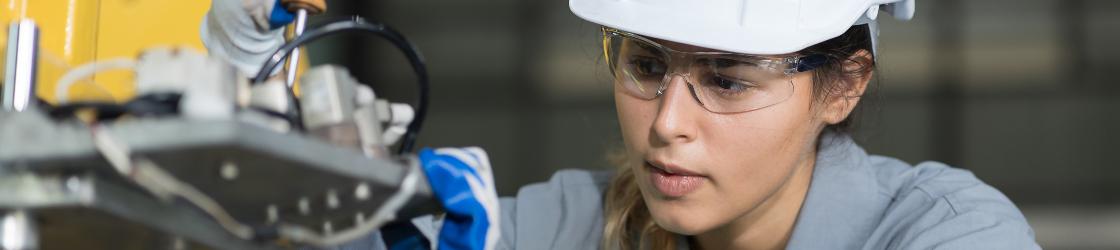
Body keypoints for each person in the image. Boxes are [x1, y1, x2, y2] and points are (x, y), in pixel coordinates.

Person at [203, 0, 1042, 249]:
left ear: (842, 88)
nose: (667, 124)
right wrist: (244, 67)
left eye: (726, 80)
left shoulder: (951, 233)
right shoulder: (580, 223)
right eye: (645, 65)